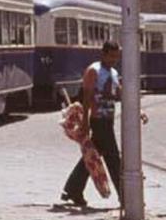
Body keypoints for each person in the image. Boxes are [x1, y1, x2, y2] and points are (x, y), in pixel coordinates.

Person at [61, 41, 148, 207]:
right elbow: (87, 97)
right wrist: (85, 122)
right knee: (113, 158)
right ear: (104, 54)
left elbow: (121, 94)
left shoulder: (113, 73)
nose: (114, 59)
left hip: (108, 120)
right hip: (98, 120)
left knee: (92, 155)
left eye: (117, 56)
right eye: (111, 56)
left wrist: (138, 110)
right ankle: (126, 197)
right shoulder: (93, 71)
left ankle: (73, 190)